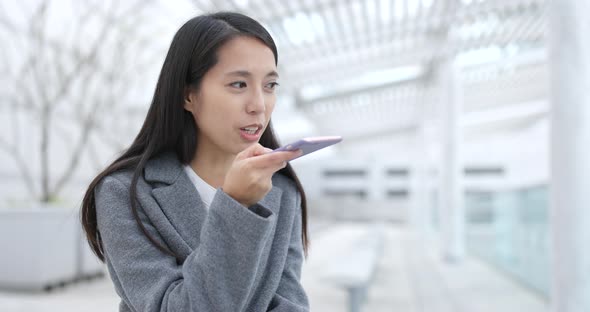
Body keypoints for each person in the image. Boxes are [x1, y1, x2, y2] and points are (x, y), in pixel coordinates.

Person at [80, 12, 310, 312]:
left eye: (270, 85)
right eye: (239, 84)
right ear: (188, 95)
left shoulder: (281, 189)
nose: (259, 105)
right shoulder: (124, 193)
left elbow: (289, 303)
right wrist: (236, 206)